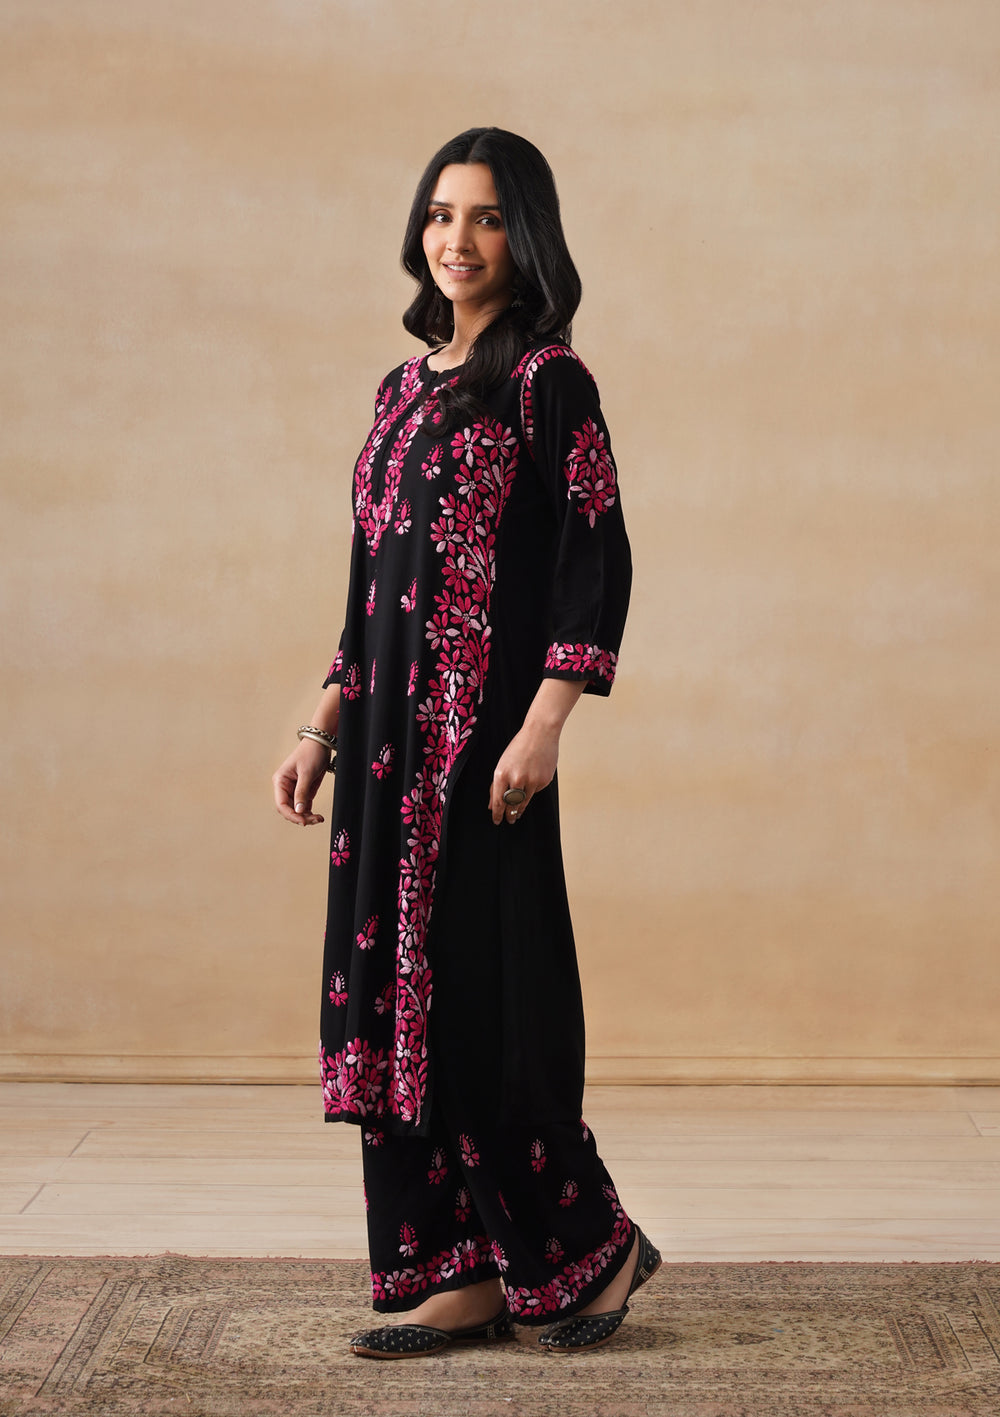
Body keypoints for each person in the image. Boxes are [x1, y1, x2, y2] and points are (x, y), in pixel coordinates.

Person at [272, 127, 659, 1357]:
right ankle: (455, 1268)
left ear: (524, 233)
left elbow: (595, 558)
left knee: (485, 1007)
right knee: (389, 1006)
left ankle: (589, 1249)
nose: (458, 239)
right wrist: (322, 722)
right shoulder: (400, 391)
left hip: (480, 750)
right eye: (441, 214)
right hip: (383, 756)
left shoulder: (547, 381)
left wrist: (544, 726)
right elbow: (372, 586)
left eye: (486, 217)